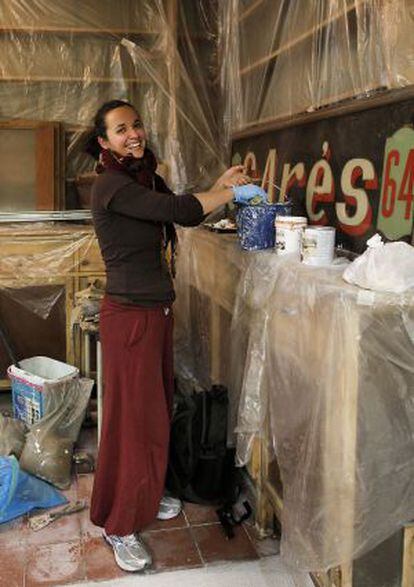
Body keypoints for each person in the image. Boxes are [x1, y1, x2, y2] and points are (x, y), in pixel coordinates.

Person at [85, 99, 267, 572]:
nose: (134, 134)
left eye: (137, 125)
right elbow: (177, 207)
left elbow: (184, 213)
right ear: (104, 142)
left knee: (156, 410)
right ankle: (120, 524)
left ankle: (147, 492)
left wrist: (218, 188)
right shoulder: (112, 185)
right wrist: (225, 195)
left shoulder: (144, 177)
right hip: (130, 318)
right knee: (131, 421)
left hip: (155, 312)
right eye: (121, 130)